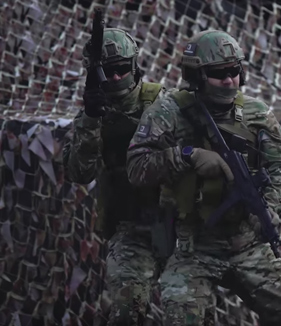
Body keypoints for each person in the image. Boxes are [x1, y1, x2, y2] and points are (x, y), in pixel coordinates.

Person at [125, 30, 281, 326]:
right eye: (218, 73)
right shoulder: (170, 111)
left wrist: (270, 207)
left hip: (248, 241)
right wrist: (186, 155)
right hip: (192, 247)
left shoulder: (255, 113)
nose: (229, 80)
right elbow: (136, 166)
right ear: (196, 76)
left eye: (234, 71)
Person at [63, 27, 172, 326]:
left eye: (121, 69)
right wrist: (90, 119)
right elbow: (79, 172)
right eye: (107, 71)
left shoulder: (164, 103)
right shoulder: (92, 117)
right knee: (126, 311)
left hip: (179, 223)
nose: (114, 78)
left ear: (135, 67)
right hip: (132, 229)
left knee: (190, 309)